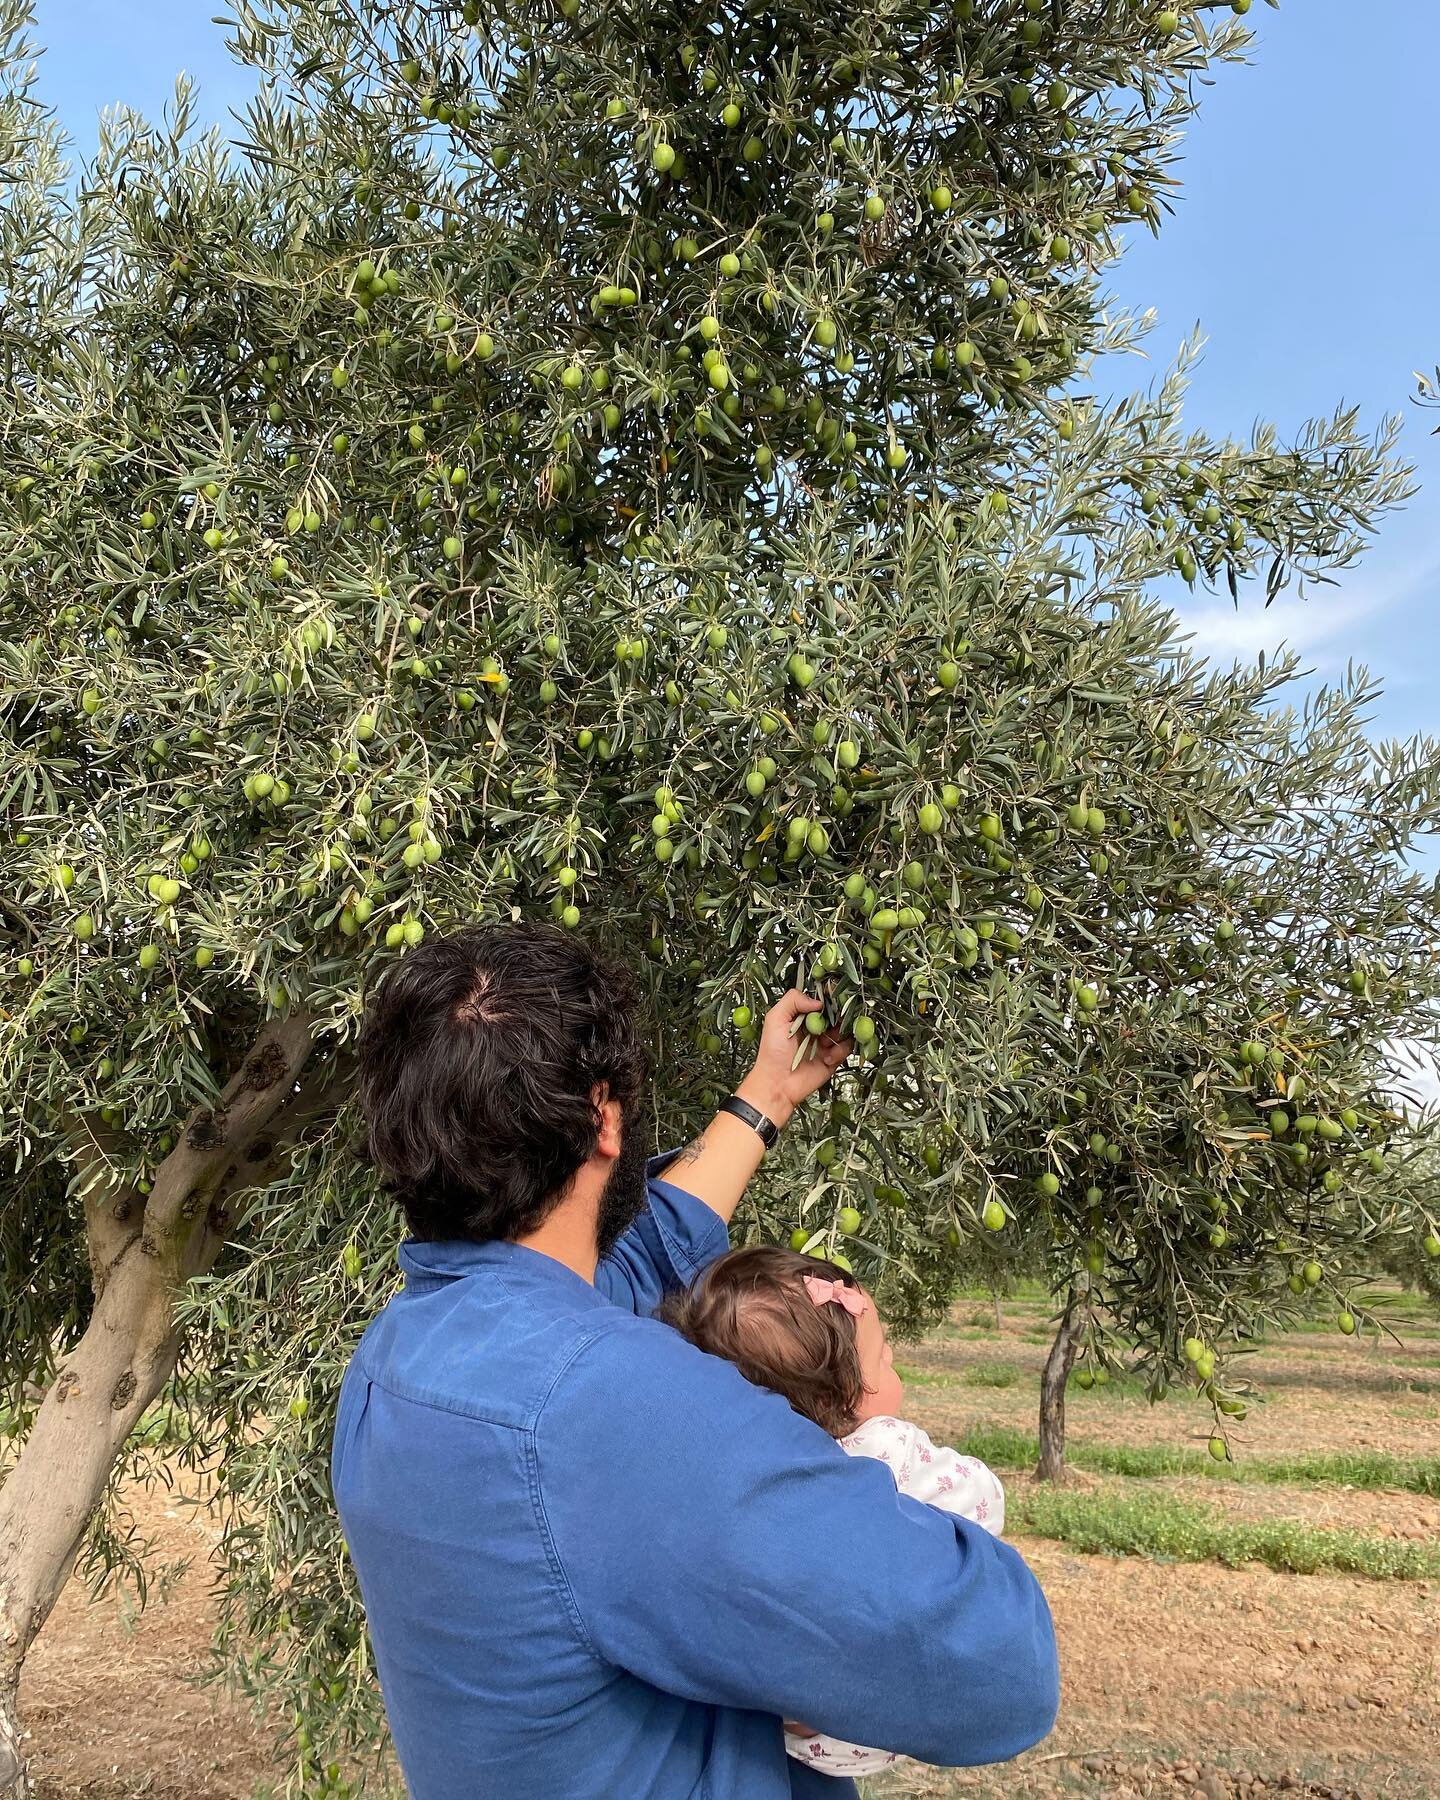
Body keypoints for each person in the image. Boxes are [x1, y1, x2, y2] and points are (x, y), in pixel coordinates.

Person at [332, 922, 1059, 1800]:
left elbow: (640, 1255)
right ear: (605, 1116)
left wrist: (768, 1097)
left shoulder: (403, 1355)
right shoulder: (616, 1411)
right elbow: (995, 1667)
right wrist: (873, 1419)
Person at [657, 1244, 1008, 1780]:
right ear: (848, 1395)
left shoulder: (738, 1472)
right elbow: (980, 1500)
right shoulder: (884, 1447)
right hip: (871, 1723)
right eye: (884, 1356)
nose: (893, 1364)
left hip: (797, 1731)